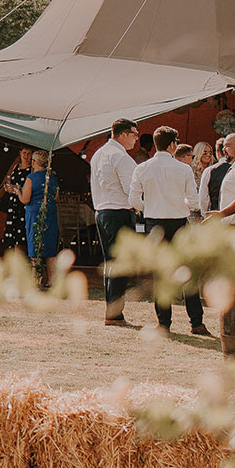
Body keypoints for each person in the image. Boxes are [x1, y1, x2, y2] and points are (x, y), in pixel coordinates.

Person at [130, 126, 208, 335]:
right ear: (173, 144)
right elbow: (193, 202)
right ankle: (196, 322)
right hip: (179, 223)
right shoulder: (183, 169)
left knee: (160, 275)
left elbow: (133, 200)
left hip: (154, 224)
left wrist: (149, 207)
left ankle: (164, 323)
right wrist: (180, 204)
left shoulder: (142, 168)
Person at [90, 119, 141, 327]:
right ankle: (114, 315)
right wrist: (143, 207)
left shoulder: (98, 154)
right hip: (119, 212)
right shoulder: (121, 157)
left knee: (111, 264)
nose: (137, 138)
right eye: (134, 134)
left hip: (102, 212)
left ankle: (112, 311)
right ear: (123, 134)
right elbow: (132, 191)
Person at [18, 149, 59, 288]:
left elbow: (25, 199)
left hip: (35, 214)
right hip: (50, 213)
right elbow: (56, 197)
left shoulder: (31, 178)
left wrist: (18, 191)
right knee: (50, 247)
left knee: (35, 245)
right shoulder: (52, 178)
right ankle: (52, 280)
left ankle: (35, 279)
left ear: (34, 162)